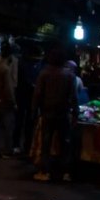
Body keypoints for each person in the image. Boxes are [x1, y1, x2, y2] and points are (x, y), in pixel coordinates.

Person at [32, 46, 78, 182]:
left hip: (48, 113)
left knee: (46, 143)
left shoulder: (44, 73)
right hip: (64, 113)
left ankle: (44, 171)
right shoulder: (70, 75)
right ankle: (64, 172)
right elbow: (74, 97)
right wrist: (75, 113)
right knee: (65, 143)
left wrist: (34, 111)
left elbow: (37, 94)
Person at [14, 46, 43, 156]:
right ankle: (17, 145)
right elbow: (21, 80)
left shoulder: (39, 66)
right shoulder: (22, 65)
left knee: (29, 123)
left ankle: (27, 145)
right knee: (20, 121)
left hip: (32, 98)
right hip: (23, 96)